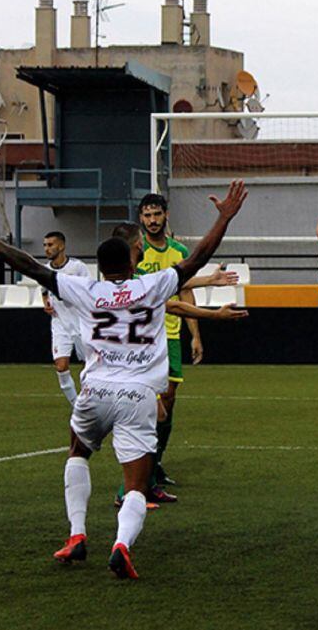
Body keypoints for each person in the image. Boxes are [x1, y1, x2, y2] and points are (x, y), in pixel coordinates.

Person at [0, 179, 249, 579]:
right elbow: (198, 258)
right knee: (136, 487)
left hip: (94, 391)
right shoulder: (153, 285)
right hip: (138, 395)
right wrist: (224, 217)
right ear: (131, 261)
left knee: (78, 453)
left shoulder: (85, 289)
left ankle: (77, 535)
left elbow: (28, 265)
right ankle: (122, 545)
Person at [111, 220, 241, 506]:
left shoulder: (128, 281)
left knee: (157, 416)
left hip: (136, 360)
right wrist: (213, 315)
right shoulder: (128, 284)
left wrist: (207, 283)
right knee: (141, 421)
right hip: (132, 365)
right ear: (135, 246)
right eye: (140, 240)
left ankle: (146, 482)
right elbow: (172, 304)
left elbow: (172, 296)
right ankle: (129, 491)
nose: (146, 242)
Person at [136, 193, 205, 488]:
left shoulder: (178, 251)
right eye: (147, 215)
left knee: (169, 401)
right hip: (143, 338)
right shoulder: (136, 252)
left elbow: (185, 292)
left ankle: (156, 462)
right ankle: (141, 470)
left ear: (166, 216)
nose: (152, 220)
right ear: (140, 218)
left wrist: (195, 335)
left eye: (157, 214)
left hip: (172, 335)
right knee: (147, 405)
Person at [41, 231, 91, 406]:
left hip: (80, 323)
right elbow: (44, 291)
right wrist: (46, 303)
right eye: (45, 245)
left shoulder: (78, 268)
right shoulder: (45, 270)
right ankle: (76, 406)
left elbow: (88, 292)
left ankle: (90, 401)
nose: (47, 249)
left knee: (89, 367)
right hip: (60, 323)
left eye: (50, 245)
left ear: (61, 246)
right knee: (61, 366)